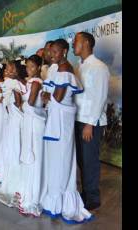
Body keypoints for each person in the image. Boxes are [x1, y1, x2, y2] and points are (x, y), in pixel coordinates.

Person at [39, 39, 92, 223]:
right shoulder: (58, 68)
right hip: (58, 120)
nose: (52, 54)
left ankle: (63, 203)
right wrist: (47, 96)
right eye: (50, 51)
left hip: (61, 122)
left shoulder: (64, 70)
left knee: (62, 161)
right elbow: (49, 96)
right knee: (57, 161)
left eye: (55, 51)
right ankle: (56, 201)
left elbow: (56, 99)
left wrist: (47, 96)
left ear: (65, 51)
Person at [73, 32, 110, 211]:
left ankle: (93, 198)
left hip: (90, 122)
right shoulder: (79, 66)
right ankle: (85, 192)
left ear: (86, 43)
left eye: (76, 42)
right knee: (81, 159)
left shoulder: (99, 67)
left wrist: (90, 123)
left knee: (90, 160)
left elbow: (100, 97)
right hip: (78, 118)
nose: (73, 45)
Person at [12, 55, 47, 216]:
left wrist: (20, 103)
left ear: (39, 67)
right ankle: (30, 189)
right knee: (30, 155)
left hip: (35, 122)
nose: (29, 69)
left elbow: (31, 103)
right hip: (30, 121)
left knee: (35, 156)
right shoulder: (30, 82)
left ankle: (35, 194)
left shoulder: (36, 82)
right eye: (27, 67)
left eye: (32, 67)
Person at [0, 60, 26, 204]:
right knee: (15, 147)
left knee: (13, 148)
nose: (7, 71)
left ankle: (14, 180)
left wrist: (13, 105)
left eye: (10, 69)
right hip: (16, 118)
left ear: (16, 70)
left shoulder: (10, 83)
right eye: (7, 69)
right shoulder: (20, 82)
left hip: (14, 118)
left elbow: (17, 101)